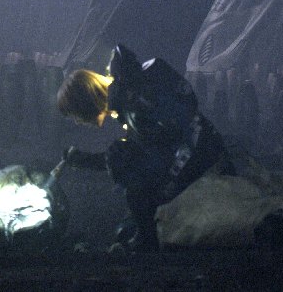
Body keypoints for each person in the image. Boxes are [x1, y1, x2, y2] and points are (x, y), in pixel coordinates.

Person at [58, 45, 230, 251]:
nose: (78, 122)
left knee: (126, 173)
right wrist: (84, 160)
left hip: (199, 160)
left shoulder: (134, 103)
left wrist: (156, 191)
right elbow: (143, 148)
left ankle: (148, 243)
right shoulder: (128, 101)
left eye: (75, 115)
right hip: (195, 154)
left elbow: (157, 148)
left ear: (84, 103)